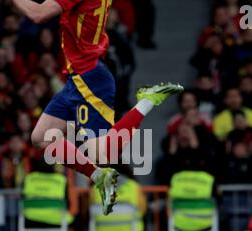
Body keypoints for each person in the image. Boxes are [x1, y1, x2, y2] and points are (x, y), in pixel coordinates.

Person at [13, 0, 183, 215]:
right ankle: (97, 176)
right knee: (41, 137)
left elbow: (39, 14)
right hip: (77, 78)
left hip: (90, 79)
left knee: (102, 154)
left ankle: (147, 101)